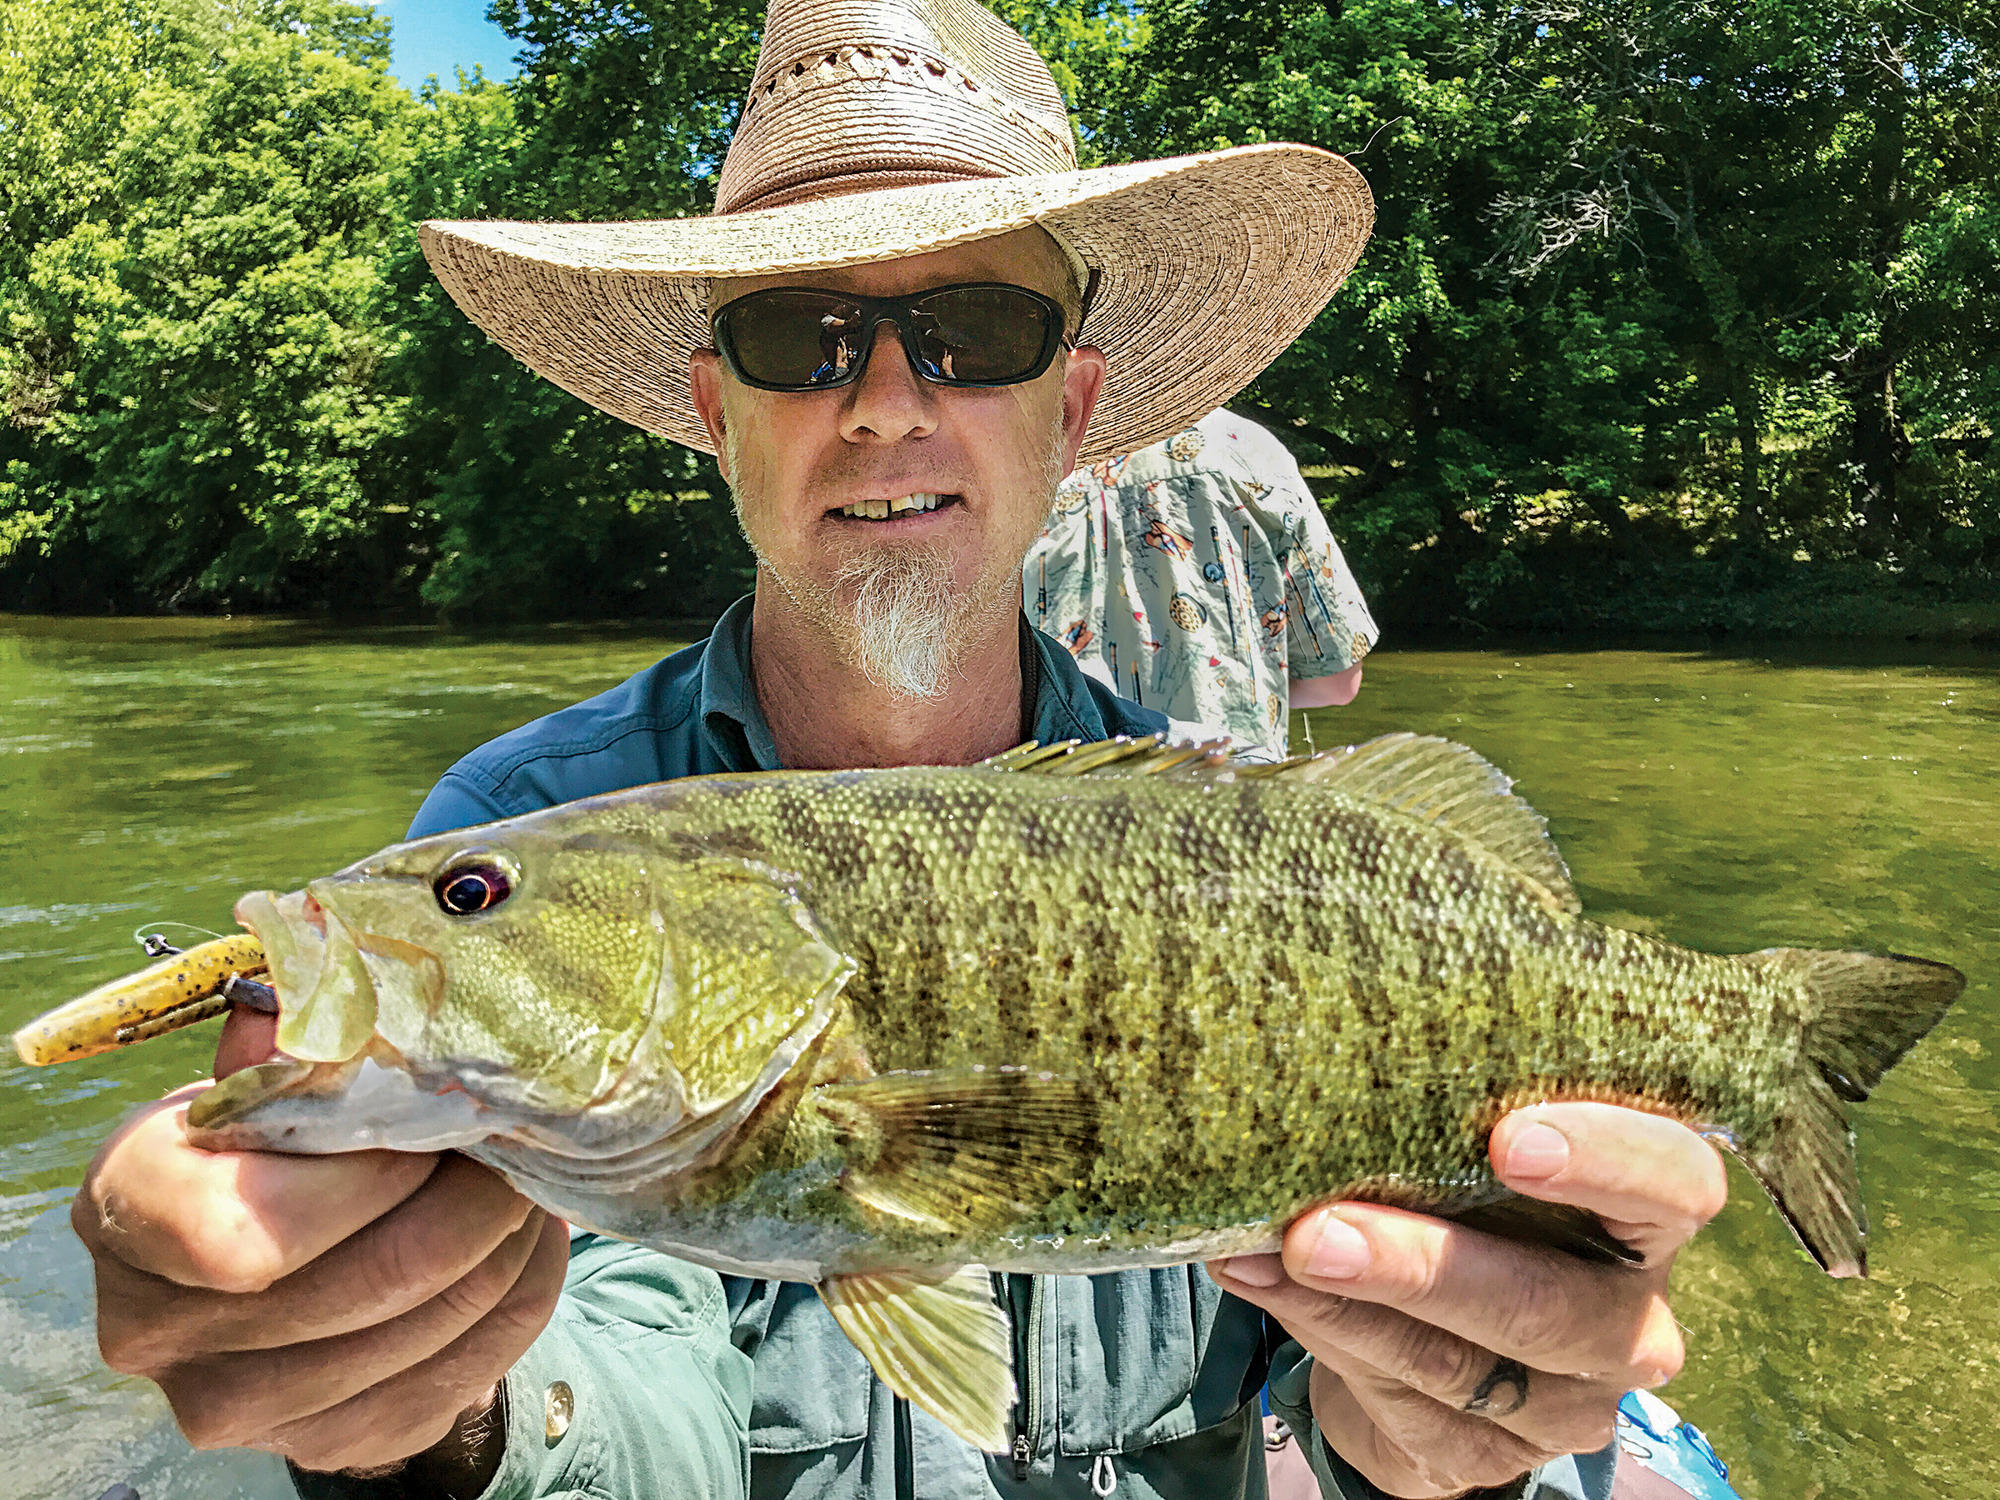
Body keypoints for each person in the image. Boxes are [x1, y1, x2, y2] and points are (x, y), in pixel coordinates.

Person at [70, 2, 1730, 1498]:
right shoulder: (531, 823)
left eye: (975, 332)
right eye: (801, 338)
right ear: (718, 416)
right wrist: (433, 1411)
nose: (881, 404)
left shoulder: (1235, 842)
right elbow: (608, 1363)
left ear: (1072, 414)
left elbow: (1342, 1383)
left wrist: (1437, 1435)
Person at [1027, 409, 1375, 754]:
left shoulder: (1024, 456)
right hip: (1229, 792)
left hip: (1057, 793)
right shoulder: (1250, 451)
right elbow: (1336, 682)